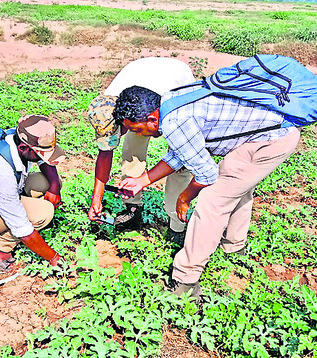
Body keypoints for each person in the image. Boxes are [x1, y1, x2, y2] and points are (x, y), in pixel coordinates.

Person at [113, 85, 303, 298]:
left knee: (214, 199)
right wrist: (142, 180)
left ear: (151, 120)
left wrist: (185, 197)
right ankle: (234, 247)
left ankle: (186, 281)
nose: (139, 134)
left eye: (137, 129)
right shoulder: (170, 103)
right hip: (272, 130)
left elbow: (207, 174)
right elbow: (181, 152)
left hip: (272, 139)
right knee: (237, 184)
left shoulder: (174, 123)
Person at [87, 57, 195, 245]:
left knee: (180, 166)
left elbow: (178, 156)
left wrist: (145, 180)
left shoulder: (171, 107)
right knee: (132, 147)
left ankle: (176, 226)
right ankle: (132, 207)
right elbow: (105, 154)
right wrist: (97, 198)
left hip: (173, 85)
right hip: (142, 88)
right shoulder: (105, 109)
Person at [0, 115, 66, 271]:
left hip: (4, 192)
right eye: (41, 153)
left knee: (48, 182)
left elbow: (44, 161)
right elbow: (21, 227)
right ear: (23, 148)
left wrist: (54, 186)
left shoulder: (14, 137)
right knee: (44, 212)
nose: (45, 157)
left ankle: (20, 211)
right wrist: (54, 258)